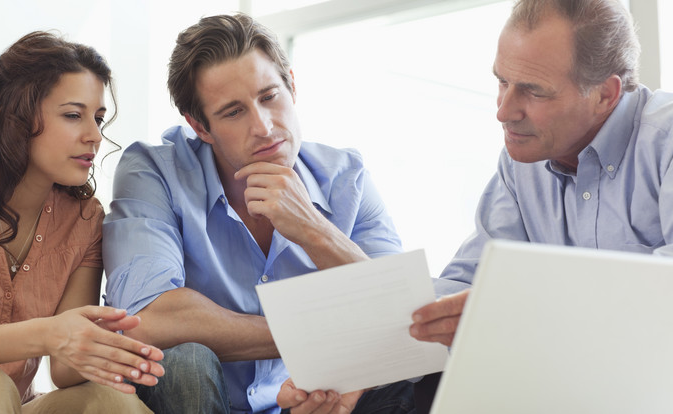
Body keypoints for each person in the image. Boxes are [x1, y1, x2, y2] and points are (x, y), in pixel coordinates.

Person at [103, 13, 415, 414]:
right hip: (199, 399)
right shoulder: (155, 172)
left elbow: (402, 321)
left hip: (305, 402)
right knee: (184, 361)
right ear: (200, 126)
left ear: (292, 85)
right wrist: (317, 335)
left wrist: (313, 230)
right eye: (234, 112)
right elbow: (147, 318)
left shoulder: (347, 178)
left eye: (269, 97)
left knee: (392, 380)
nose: (265, 128)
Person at [409, 0, 673, 349]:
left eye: (533, 91)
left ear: (605, 95)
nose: (503, 112)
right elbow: (470, 285)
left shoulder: (665, 142)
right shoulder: (523, 162)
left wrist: (523, 310)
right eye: (502, 81)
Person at [0, 31, 165, 413]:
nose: (94, 136)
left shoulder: (84, 219)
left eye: (99, 118)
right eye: (73, 115)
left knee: (111, 400)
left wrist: (109, 347)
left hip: (16, 404)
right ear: (16, 117)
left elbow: (66, 369)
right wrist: (47, 334)